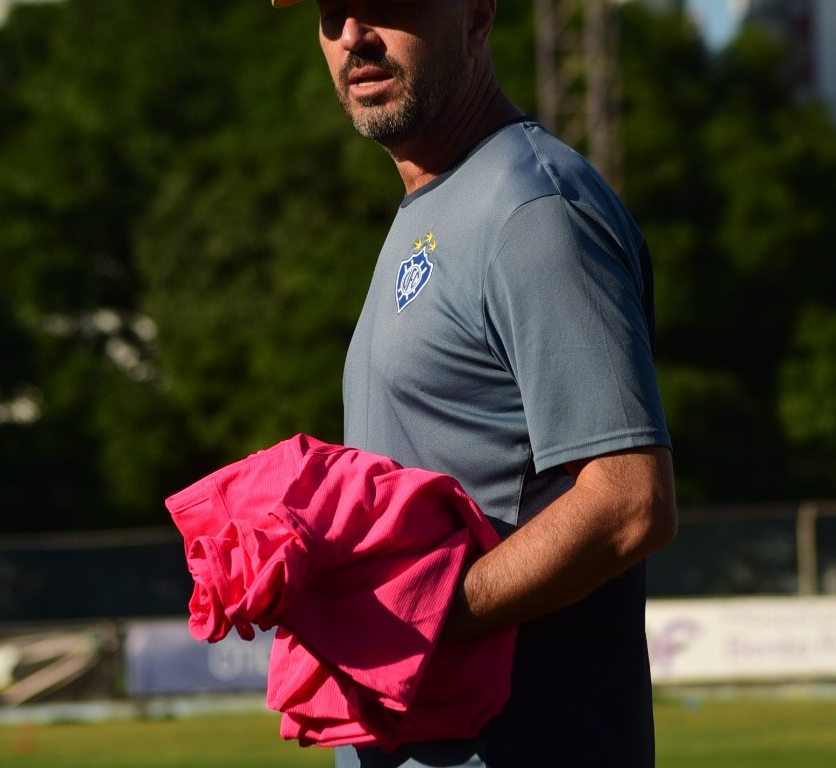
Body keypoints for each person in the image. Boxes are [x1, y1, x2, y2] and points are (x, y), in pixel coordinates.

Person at [277, 1, 679, 765]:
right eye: (332, 13)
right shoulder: (434, 200)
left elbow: (630, 503)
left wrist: (414, 618)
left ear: (477, 19)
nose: (354, 36)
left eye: (387, 6)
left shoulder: (532, 209)